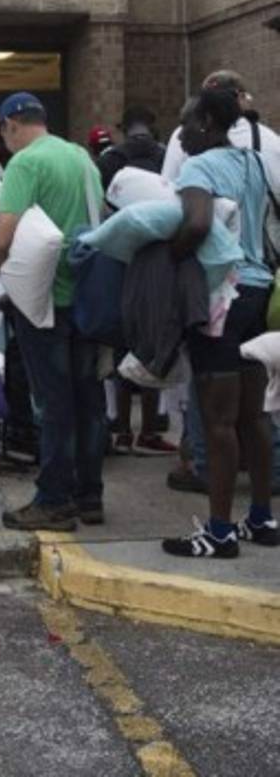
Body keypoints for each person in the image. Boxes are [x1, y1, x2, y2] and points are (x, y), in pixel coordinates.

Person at [161, 89, 277, 558]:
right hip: (259, 293)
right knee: (255, 414)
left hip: (222, 298)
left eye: (187, 122)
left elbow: (195, 224)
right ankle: (262, 517)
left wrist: (168, 261)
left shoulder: (198, 168)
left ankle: (219, 532)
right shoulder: (254, 163)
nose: (182, 132)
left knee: (218, 420)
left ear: (207, 122)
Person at [0, 92, 106, 531]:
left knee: (53, 403)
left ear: (10, 125)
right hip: (87, 299)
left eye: (2, 133)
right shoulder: (80, 157)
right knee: (88, 399)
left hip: (45, 302)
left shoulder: (26, 163)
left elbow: (3, 233)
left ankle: (54, 499)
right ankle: (89, 496)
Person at [95, 107, 177, 456]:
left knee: (123, 341)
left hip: (122, 256)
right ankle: (150, 429)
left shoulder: (110, 159)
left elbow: (102, 207)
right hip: (159, 257)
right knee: (156, 338)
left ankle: (123, 430)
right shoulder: (164, 157)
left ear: (122, 129)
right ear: (152, 127)